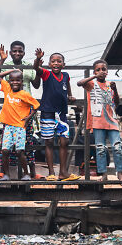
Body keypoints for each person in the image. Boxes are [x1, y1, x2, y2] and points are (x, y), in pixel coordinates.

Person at [0, 41, 42, 179]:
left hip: (25, 109)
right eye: (14, 51)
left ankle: (31, 172)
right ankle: (6, 172)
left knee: (28, 141)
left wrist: (37, 67)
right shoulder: (6, 66)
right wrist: (3, 61)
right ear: (10, 51)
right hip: (11, 110)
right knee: (7, 146)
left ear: (24, 53)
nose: (17, 53)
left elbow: (37, 84)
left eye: (20, 51)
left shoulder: (28, 66)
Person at [34, 51, 79, 181]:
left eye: (59, 61)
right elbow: (36, 69)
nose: (56, 63)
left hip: (62, 113)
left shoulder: (66, 75)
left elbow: (67, 86)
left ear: (63, 64)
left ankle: (63, 172)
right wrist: (37, 59)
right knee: (49, 142)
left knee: (64, 142)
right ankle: (52, 173)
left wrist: (70, 95)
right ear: (49, 64)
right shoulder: (47, 74)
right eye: (53, 61)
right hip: (47, 112)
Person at [78, 60, 122, 180]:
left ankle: (119, 173)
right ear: (94, 72)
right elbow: (79, 83)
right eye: (98, 70)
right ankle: (103, 174)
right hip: (98, 121)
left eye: (103, 69)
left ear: (107, 72)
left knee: (117, 147)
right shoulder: (91, 84)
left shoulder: (111, 85)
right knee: (100, 149)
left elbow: (117, 103)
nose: (101, 71)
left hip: (112, 121)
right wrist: (94, 76)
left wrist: (115, 90)